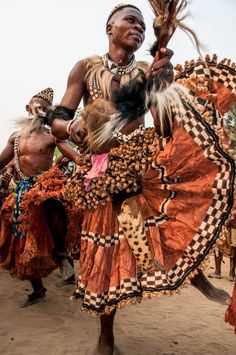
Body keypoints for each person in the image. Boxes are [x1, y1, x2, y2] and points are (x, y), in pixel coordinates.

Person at [45, 4, 234, 353]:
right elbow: (58, 119)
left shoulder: (148, 69)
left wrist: (162, 89)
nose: (138, 27)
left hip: (141, 162)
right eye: (130, 20)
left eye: (143, 25)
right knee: (106, 252)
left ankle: (196, 275)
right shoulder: (86, 67)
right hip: (100, 169)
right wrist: (74, 128)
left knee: (170, 222)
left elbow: (162, 125)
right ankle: (107, 336)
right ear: (110, 26)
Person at [0, 87, 79, 307]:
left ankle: (62, 253)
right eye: (37, 107)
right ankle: (38, 289)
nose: (40, 111)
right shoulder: (15, 138)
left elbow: (72, 154)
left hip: (46, 186)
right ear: (28, 108)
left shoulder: (52, 136)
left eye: (45, 109)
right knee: (22, 241)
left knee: (54, 205)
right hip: (23, 192)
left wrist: (86, 160)